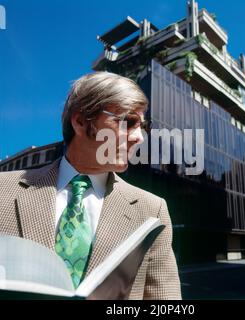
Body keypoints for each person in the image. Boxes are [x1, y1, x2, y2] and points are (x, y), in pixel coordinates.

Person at [0, 72, 182, 300]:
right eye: (128, 122)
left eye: (142, 126)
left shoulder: (152, 210)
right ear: (80, 121)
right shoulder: (3, 190)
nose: (139, 138)